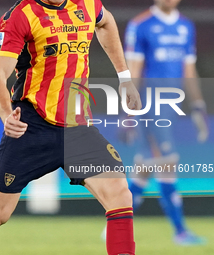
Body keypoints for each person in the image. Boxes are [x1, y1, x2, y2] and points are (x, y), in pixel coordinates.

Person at [0, 0, 142, 254]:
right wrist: (7, 116)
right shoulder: (20, 16)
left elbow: (106, 22)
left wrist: (124, 77)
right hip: (31, 126)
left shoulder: (87, 4)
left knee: (120, 195)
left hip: (78, 128)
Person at [124, 0, 208, 245]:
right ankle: (180, 231)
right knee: (167, 161)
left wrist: (198, 105)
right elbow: (134, 69)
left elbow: (188, 69)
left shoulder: (186, 26)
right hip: (150, 106)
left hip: (172, 107)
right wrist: (129, 112)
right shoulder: (140, 25)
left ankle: (115, 224)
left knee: (144, 168)